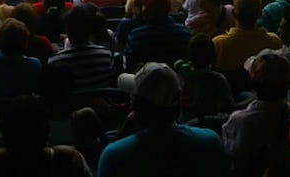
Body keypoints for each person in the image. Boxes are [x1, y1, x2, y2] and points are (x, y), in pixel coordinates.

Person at [98, 63, 229, 177]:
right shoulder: (211, 142)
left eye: (132, 99)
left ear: (137, 107)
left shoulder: (113, 157)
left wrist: (121, 136)